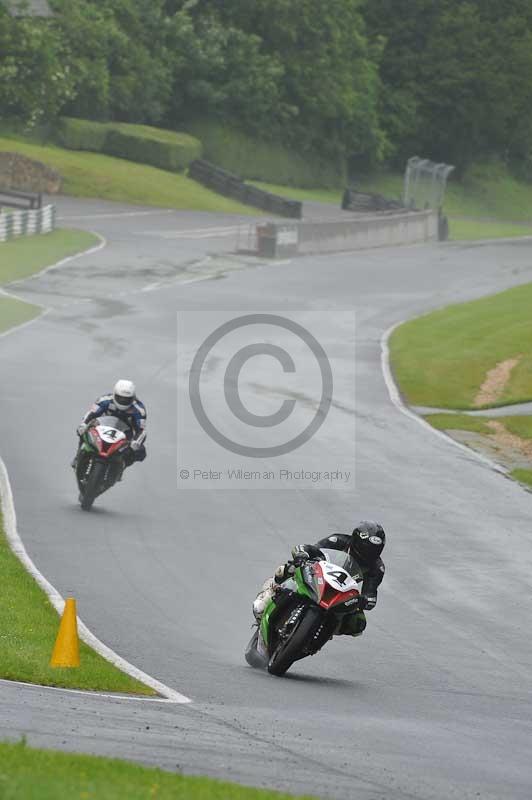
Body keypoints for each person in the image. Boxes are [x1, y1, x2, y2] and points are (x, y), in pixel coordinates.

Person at [253, 521, 386, 637]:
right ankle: (269, 593)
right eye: (366, 547)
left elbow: (371, 592)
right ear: (356, 540)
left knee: (358, 623)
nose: (369, 553)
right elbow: (313, 549)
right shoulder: (338, 540)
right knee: (288, 569)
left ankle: (321, 632)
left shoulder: (377, 568)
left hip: (342, 593)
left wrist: (366, 600)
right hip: (319, 575)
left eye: (375, 550)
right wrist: (302, 554)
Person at [72, 379, 147, 471]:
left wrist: (135, 443)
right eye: (120, 397)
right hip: (101, 427)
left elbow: (141, 430)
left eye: (127, 399)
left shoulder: (139, 409)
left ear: (133, 397)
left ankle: (121, 467)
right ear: (114, 394)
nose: (123, 401)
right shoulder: (104, 400)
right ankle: (78, 456)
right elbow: (91, 414)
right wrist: (83, 424)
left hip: (124, 434)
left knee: (140, 452)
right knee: (82, 431)